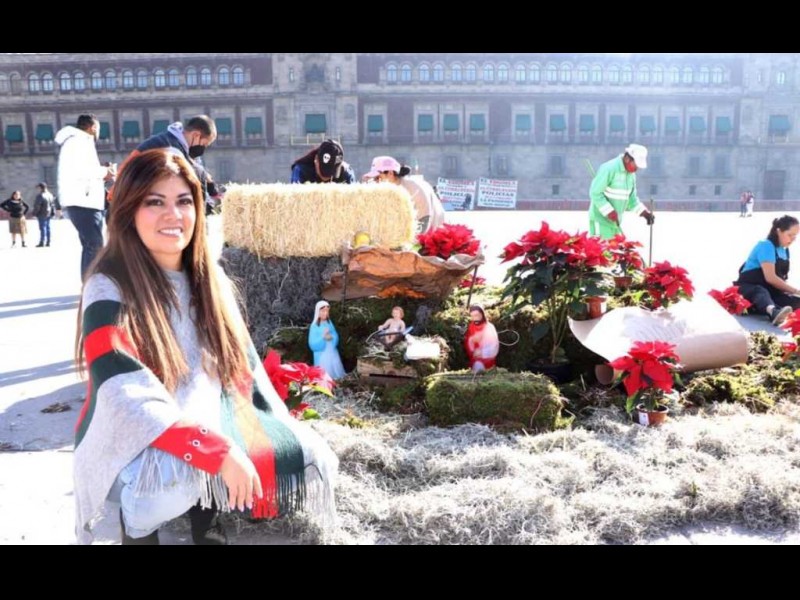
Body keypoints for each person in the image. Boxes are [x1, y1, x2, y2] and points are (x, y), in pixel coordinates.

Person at [73, 149, 338, 545]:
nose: (173, 215)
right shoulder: (108, 285)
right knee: (169, 485)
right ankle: (138, 530)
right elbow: (122, 390)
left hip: (200, 413)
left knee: (308, 452)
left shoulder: (210, 278)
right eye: (154, 202)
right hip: (132, 434)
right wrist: (215, 450)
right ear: (128, 211)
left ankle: (208, 520)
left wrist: (263, 428)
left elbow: (240, 366)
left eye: (183, 201)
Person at [55, 114, 117, 279]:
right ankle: (91, 283)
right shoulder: (80, 142)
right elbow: (83, 171)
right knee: (95, 245)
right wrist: (106, 171)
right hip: (83, 201)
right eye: (99, 129)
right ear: (93, 127)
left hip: (82, 200)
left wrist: (102, 174)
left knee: (90, 244)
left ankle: (89, 282)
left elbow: (81, 171)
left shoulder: (75, 142)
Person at [112, 115, 217, 211]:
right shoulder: (170, 147)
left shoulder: (171, 140)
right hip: (136, 200)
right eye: (204, 144)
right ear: (196, 135)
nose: (203, 148)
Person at [734, 215, 800, 325]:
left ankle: (774, 309)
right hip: (749, 289)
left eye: (795, 236)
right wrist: (796, 291)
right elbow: (771, 278)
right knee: (761, 292)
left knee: (795, 301)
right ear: (779, 231)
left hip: (771, 292)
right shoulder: (766, 246)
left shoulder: (784, 250)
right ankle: (773, 312)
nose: (793, 239)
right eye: (790, 235)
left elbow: (781, 279)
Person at [362, 155, 445, 233]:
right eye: (375, 179)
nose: (376, 182)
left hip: (434, 231)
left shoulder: (414, 189)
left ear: (390, 173)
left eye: (378, 178)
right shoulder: (385, 192)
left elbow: (423, 222)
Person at [588, 144, 655, 239]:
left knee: (616, 247)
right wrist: (609, 211)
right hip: (600, 221)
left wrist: (645, 214)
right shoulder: (609, 168)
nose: (636, 169)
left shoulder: (631, 175)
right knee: (601, 247)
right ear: (627, 158)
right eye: (635, 165)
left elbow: (632, 200)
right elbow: (595, 193)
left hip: (615, 223)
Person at [308, 300, 346, 380]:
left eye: (327, 311)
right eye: (323, 311)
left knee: (335, 368)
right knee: (324, 371)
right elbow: (312, 343)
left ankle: (337, 379)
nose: (325, 313)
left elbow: (335, 334)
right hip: (322, 354)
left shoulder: (329, 323)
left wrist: (332, 337)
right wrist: (323, 337)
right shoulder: (314, 326)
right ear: (318, 312)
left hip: (332, 351)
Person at [464, 304, 499, 373]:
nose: (475, 318)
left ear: (482, 314)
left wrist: (482, 352)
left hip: (487, 361)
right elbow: (467, 342)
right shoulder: (471, 327)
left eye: (477, 315)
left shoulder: (489, 327)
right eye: (472, 316)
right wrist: (472, 348)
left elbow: (495, 347)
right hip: (474, 360)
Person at [32, 182, 57, 247]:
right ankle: (48, 241)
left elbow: (37, 206)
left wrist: (34, 213)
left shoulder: (40, 196)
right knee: (48, 227)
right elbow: (52, 205)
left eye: (38, 188)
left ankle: (42, 242)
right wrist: (53, 213)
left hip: (42, 213)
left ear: (40, 187)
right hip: (49, 213)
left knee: (42, 228)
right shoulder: (50, 195)